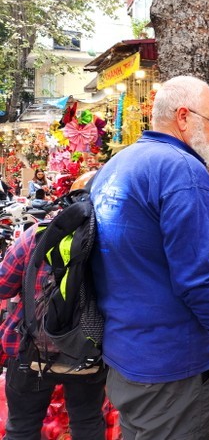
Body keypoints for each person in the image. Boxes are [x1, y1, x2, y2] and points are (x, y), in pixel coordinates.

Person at [89, 75, 209, 439]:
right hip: (174, 368)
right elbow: (201, 281)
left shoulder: (116, 166)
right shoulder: (184, 172)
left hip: (129, 359)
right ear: (184, 117)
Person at [0, 181, 107, 440]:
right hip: (88, 354)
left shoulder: (37, 235)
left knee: (22, 427)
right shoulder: (109, 244)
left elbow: (3, 287)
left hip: (31, 352)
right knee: (87, 424)